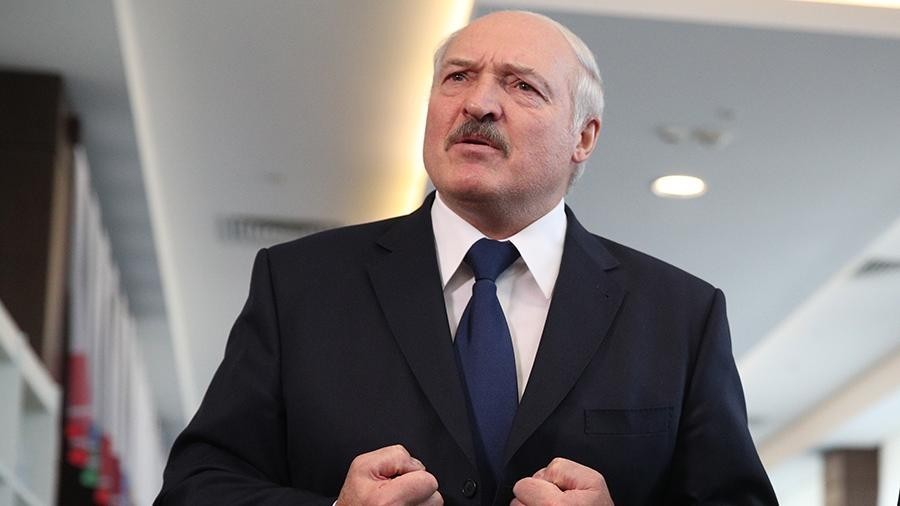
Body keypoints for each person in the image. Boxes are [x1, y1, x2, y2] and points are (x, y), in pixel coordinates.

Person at [155, 10, 777, 506]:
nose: (478, 103)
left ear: (583, 137)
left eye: (522, 85)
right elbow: (195, 487)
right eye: (457, 77)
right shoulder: (298, 285)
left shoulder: (680, 315)